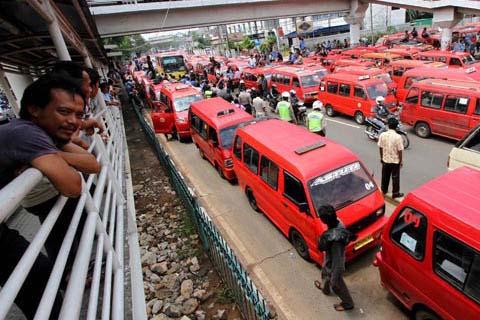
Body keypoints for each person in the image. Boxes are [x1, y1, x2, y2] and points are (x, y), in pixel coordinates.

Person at [0, 74, 101, 319]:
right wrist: (53, 157)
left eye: (78, 114)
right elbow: (72, 185)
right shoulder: (26, 134)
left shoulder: (45, 135)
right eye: (64, 111)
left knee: (39, 275)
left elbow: (91, 164)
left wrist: (54, 154)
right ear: (34, 109)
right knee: (38, 278)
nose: (73, 122)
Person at [314, 205, 355, 312]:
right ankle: (325, 288)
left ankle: (347, 303)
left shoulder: (337, 241)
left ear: (324, 221)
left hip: (337, 259)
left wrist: (335, 276)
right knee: (325, 269)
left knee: (336, 282)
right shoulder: (336, 222)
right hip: (330, 254)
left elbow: (338, 261)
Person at [378, 117, 404, 198]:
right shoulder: (398, 137)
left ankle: (384, 190)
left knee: (385, 176)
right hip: (395, 161)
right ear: (396, 127)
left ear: (388, 125)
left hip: (385, 160)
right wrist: (401, 160)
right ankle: (395, 193)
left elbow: (380, 147)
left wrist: (381, 158)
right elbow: (400, 150)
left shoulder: (382, 135)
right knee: (395, 178)